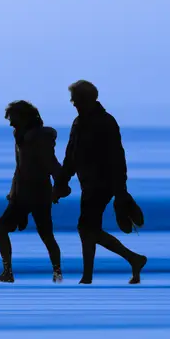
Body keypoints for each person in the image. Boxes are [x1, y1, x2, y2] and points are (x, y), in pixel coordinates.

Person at [54, 80, 147, 284]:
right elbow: (71, 155)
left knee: (86, 227)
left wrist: (121, 190)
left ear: (87, 99)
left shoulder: (106, 122)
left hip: (103, 183)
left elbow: (117, 157)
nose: (72, 102)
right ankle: (127, 262)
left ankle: (96, 273)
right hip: (87, 183)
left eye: (76, 99)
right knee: (88, 228)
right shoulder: (78, 122)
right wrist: (61, 183)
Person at [0, 100, 67, 283]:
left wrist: (60, 185)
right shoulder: (18, 135)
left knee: (46, 234)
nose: (11, 123)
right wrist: (12, 193)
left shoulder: (40, 137)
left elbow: (51, 164)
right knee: (1, 229)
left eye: (13, 118)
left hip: (39, 193)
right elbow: (18, 168)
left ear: (25, 117)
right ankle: (7, 272)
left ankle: (57, 273)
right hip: (21, 194)